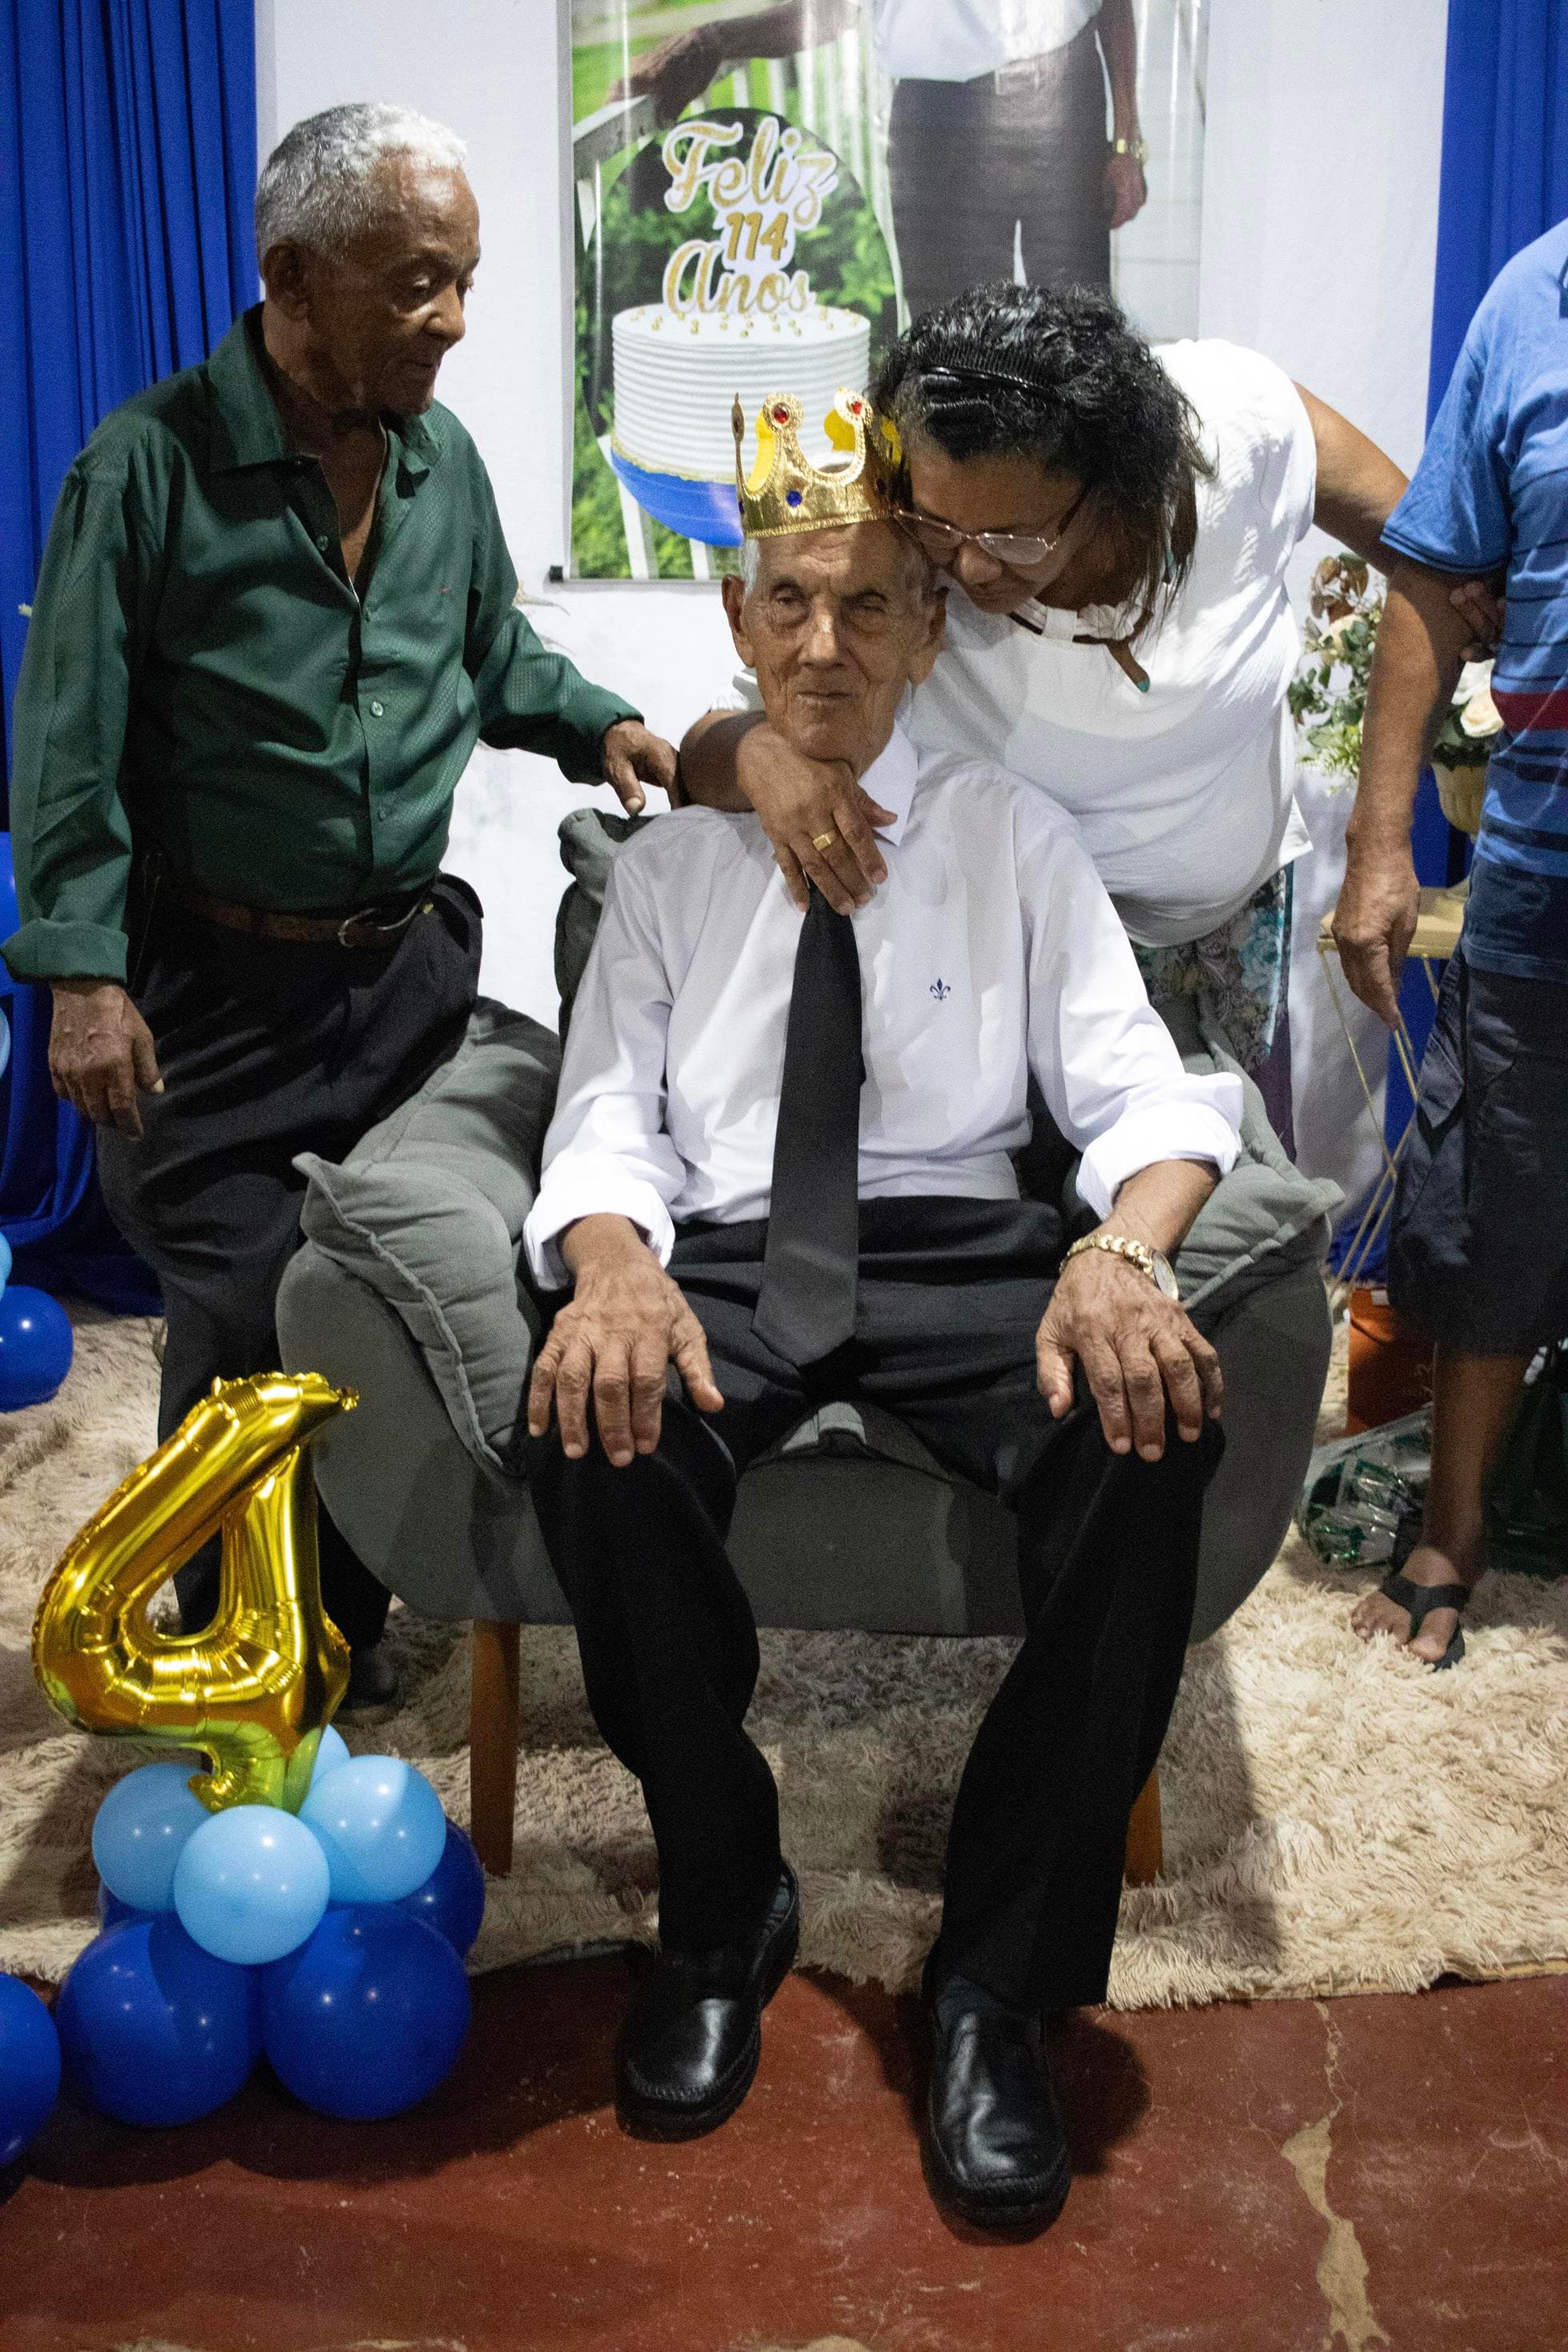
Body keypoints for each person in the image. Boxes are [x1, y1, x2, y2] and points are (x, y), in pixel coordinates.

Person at [521, 389, 1242, 2230]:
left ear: (929, 628)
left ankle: (999, 1976)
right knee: (591, 1429)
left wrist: (1122, 1250)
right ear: (738, 619)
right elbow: (602, 1122)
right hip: (732, 1256)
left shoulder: (1011, 840)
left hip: (963, 1255)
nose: (822, 642)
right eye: (787, 601)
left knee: (1151, 1439)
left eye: (864, 604)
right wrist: (608, 1267)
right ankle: (721, 1896)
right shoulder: (670, 873)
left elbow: (1146, 1098)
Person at [3, 103, 676, 1702]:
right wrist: (82, 979)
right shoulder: (146, 467)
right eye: (417, 282)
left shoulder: (439, 460)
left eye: (464, 281)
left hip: (402, 976)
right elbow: (69, 745)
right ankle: (214, 1638)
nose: (453, 320)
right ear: (292, 276)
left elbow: (489, 651)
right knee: (244, 1309)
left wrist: (601, 724)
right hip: (211, 991)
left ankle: (342, 1614)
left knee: (377, 1300)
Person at [682, 281, 1415, 1158]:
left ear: (1110, 486)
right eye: (939, 527)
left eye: (1013, 537)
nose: (968, 569)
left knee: (1226, 1171)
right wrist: (758, 753)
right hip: (1016, 951)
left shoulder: (1236, 434)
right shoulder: (917, 537)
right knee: (1039, 1187)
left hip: (1223, 929)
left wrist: (1381, 839)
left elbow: (1434, 559)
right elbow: (715, 740)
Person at [1333, 217, 1568, 1670]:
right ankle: (1454, 1528)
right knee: (1496, 1210)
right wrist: (1381, 846)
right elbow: (1427, 576)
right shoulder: (1530, 300)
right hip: (1543, 871)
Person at [612, 2, 1147, 314]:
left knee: (1081, 332)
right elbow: (832, 11)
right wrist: (712, 41)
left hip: (1060, 100)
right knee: (952, 350)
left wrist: (1126, 140)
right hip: (935, 123)